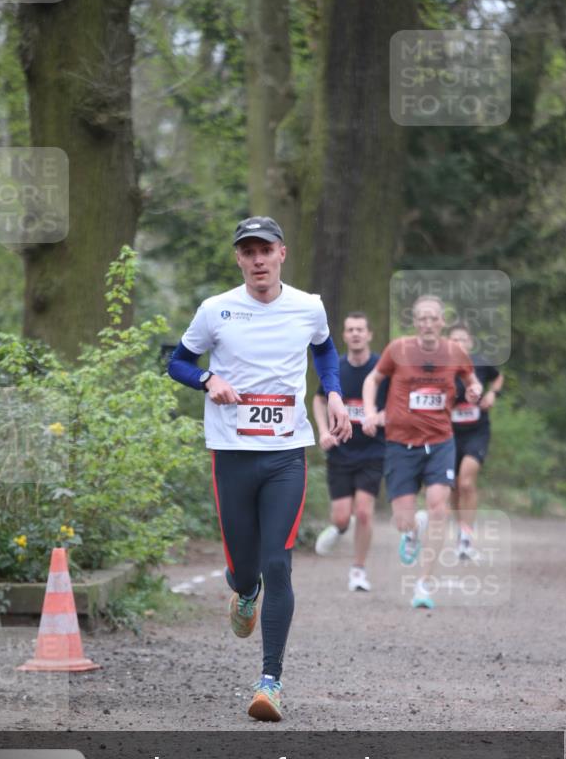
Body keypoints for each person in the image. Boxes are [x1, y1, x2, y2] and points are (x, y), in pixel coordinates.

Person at [168, 216, 351, 721]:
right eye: (247, 252)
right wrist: (208, 379)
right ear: (239, 259)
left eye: (265, 250)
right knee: (247, 569)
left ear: (281, 254)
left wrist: (333, 393)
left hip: (286, 454)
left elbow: (325, 350)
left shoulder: (308, 306)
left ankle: (270, 681)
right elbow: (177, 362)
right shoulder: (217, 310)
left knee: (279, 563)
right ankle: (243, 591)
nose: (257, 260)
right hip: (230, 454)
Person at [361, 295, 482, 609]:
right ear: (415, 323)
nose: (428, 324)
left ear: (442, 322)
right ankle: (412, 530)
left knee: (438, 507)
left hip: (441, 441)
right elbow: (373, 379)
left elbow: (471, 380)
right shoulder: (398, 349)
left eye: (433, 318)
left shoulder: (454, 351)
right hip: (401, 444)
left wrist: (474, 390)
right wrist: (370, 412)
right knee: (403, 519)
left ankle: (424, 584)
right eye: (422, 319)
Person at [312, 312, 388, 592]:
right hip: (341, 453)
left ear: (369, 334)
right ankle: (341, 528)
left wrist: (379, 418)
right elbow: (319, 399)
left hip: (373, 451)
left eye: (360, 329)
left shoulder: (382, 368)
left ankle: (358, 570)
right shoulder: (337, 369)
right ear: (344, 336)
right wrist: (322, 432)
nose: (355, 334)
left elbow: (399, 404)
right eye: (350, 329)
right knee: (342, 517)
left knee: (365, 512)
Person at [448, 323, 504, 560]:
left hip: (477, 432)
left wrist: (492, 393)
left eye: (463, 339)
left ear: (470, 342)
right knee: (453, 486)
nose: (459, 344)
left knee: (467, 483)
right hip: (448, 434)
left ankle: (466, 538)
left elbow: (499, 377)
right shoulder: (441, 368)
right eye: (454, 340)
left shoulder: (480, 363)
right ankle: (461, 532)